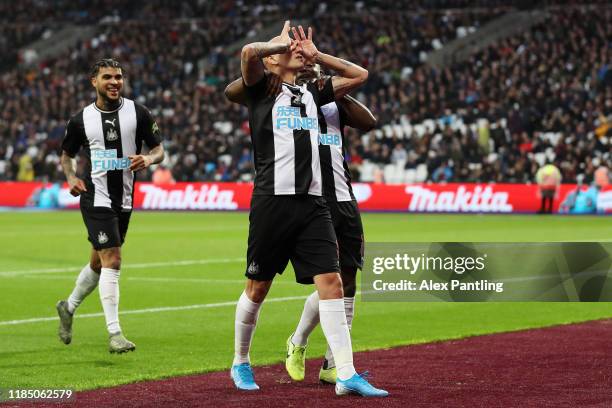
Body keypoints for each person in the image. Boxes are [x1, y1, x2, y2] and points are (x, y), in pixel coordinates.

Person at [225, 21, 387, 397]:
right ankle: (241, 361)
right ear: (272, 63)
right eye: (289, 51)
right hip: (272, 202)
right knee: (258, 287)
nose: (295, 50)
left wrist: (317, 56)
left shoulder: (312, 93)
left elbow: (359, 74)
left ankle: (344, 373)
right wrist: (275, 44)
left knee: (332, 283)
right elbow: (249, 53)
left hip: (314, 204)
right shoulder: (261, 89)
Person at [56, 59, 164, 353]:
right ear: (94, 81)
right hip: (95, 197)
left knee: (97, 263)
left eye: (118, 77)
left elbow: (158, 150)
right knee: (113, 260)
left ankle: (69, 305)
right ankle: (115, 334)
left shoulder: (138, 112)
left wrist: (149, 159)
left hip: (125, 199)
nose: (115, 82)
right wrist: (71, 177)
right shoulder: (80, 120)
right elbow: (66, 155)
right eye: (108, 77)